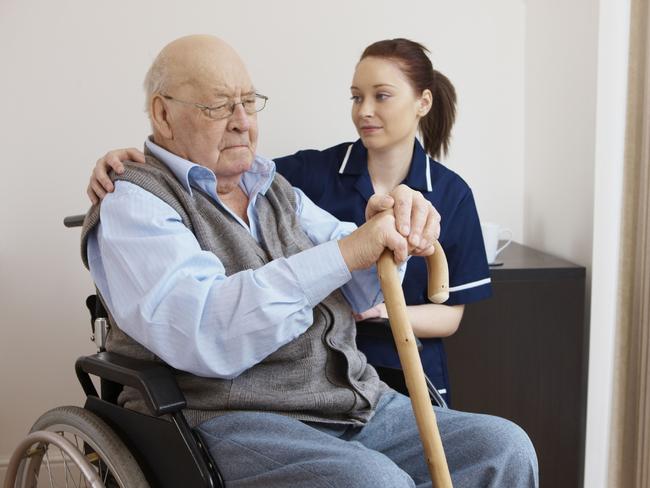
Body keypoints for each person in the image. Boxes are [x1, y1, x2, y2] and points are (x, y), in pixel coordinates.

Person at [83, 34, 538, 487]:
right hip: (226, 416)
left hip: (346, 399)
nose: (242, 122)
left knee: (503, 449)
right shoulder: (136, 202)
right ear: (163, 114)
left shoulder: (274, 187)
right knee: (373, 482)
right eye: (219, 106)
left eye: (249, 102)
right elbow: (207, 331)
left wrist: (388, 233)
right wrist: (349, 250)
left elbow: (362, 281)